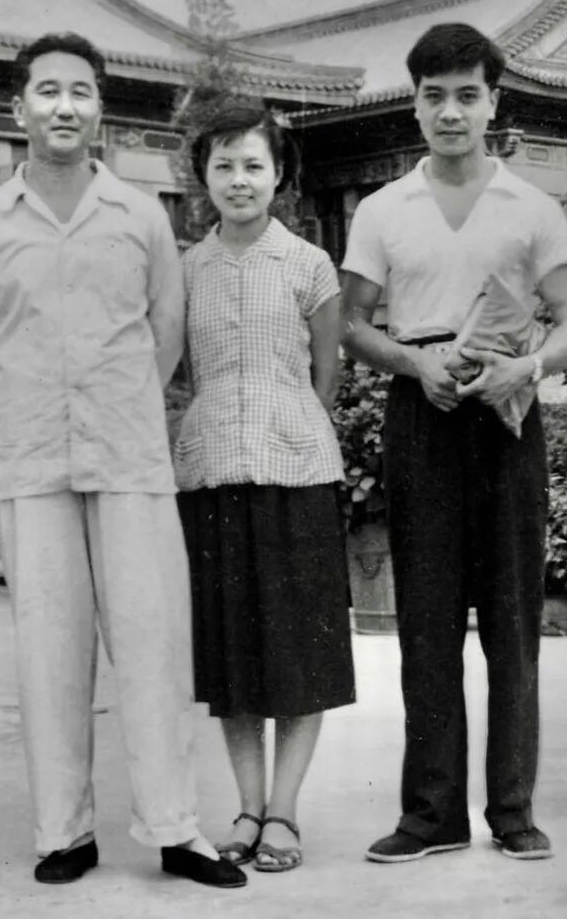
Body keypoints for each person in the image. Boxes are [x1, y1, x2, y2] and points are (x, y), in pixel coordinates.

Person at [0, 32, 246, 889]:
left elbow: (166, 330)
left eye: (79, 92)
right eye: (47, 91)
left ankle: (176, 828)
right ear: (18, 109)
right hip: (29, 458)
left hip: (128, 455)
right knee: (49, 650)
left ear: (99, 108)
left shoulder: (139, 217)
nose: (63, 106)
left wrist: (123, 405)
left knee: (153, 644)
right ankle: (62, 832)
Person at [340, 23, 567, 864]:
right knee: (426, 618)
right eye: (434, 96)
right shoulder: (382, 209)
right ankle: (431, 813)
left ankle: (512, 808)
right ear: (414, 105)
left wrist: (526, 367)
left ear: (493, 103)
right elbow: (352, 324)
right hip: (422, 415)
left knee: (513, 619)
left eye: (467, 96)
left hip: (508, 417)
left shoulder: (532, 207)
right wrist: (414, 362)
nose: (451, 112)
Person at [174, 104, 356, 873]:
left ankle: (284, 809)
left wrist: (289, 426)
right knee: (233, 655)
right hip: (212, 473)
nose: (239, 179)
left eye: (254, 164)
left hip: (297, 474)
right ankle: (247, 808)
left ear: (279, 174)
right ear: (204, 178)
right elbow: (182, 371)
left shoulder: (309, 264)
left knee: (301, 651)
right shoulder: (186, 270)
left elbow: (327, 375)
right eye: (224, 165)